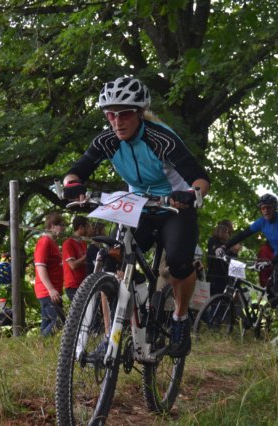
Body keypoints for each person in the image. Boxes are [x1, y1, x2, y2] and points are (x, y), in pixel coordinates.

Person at [62, 76, 210, 357]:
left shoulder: (161, 138)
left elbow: (201, 179)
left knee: (179, 264)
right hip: (139, 205)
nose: (117, 121)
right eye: (111, 115)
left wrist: (190, 194)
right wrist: (73, 185)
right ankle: (112, 331)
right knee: (111, 260)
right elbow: (75, 172)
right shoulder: (107, 140)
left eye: (125, 114)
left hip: (174, 206)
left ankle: (180, 318)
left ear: (140, 113)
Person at [224, 194, 278, 333]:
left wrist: (271, 261)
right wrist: (224, 246)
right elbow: (244, 234)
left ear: (274, 208)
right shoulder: (261, 222)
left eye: (268, 207)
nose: (266, 210)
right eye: (263, 208)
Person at [34, 211, 65, 337]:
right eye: (61, 225)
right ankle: (41, 341)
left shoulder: (52, 243)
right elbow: (40, 267)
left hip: (51, 290)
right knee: (60, 321)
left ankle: (40, 346)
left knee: (46, 322)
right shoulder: (44, 242)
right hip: (47, 291)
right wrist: (51, 289)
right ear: (52, 226)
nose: (64, 228)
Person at [206, 220, 241, 296]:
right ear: (222, 232)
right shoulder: (213, 241)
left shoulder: (228, 243)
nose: (228, 234)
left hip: (227, 277)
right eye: (226, 232)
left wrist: (235, 252)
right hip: (217, 276)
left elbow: (234, 260)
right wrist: (231, 249)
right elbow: (219, 254)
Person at [62, 215, 89, 301]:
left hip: (83, 284)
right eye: (87, 226)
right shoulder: (68, 243)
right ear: (81, 227)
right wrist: (87, 255)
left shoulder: (83, 243)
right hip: (73, 286)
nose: (89, 229)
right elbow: (72, 265)